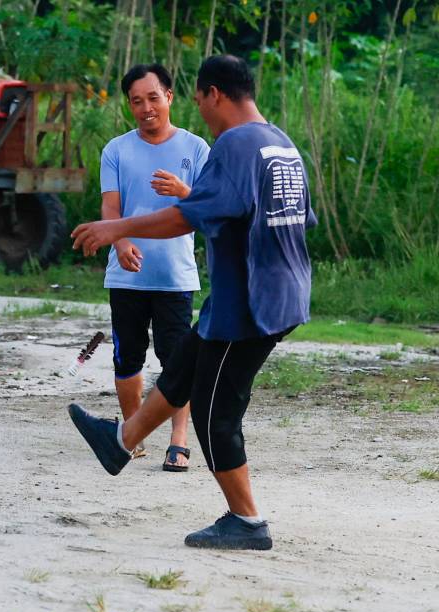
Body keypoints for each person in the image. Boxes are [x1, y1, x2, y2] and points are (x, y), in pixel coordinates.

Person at [68, 54, 316, 550]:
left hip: (250, 304)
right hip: (279, 289)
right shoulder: (279, 143)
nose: (200, 110)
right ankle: (119, 443)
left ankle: (246, 521)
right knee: (184, 364)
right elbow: (296, 219)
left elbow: (186, 218)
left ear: (213, 94)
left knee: (213, 409)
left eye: (200, 99)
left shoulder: (234, 145)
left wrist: (117, 227)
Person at [100, 63, 210, 472]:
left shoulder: (196, 148)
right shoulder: (116, 150)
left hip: (175, 276)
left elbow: (211, 207)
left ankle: (178, 441)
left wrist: (184, 191)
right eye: (135, 101)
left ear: (169, 97)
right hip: (126, 274)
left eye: (152, 98)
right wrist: (121, 240)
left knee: (177, 360)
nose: (145, 108)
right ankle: (132, 435)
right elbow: (111, 209)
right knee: (127, 357)